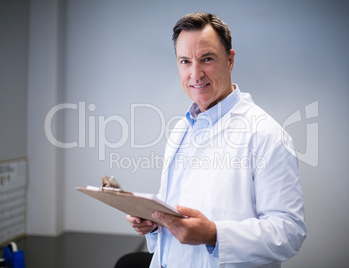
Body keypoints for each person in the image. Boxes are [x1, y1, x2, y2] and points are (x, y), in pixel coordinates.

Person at [126, 12, 307, 267]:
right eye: (185, 61)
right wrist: (154, 224)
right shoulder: (181, 129)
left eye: (207, 59)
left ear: (230, 61)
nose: (195, 74)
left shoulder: (266, 134)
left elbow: (290, 232)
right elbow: (177, 212)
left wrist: (214, 234)